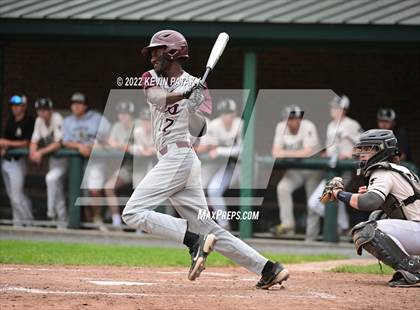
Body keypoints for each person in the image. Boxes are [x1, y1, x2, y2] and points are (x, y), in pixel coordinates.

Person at [122, 29, 289, 289]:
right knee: (208, 228)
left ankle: (192, 241)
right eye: (152, 52)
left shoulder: (196, 84)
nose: (152, 57)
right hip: (173, 160)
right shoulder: (150, 78)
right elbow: (157, 99)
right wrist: (185, 96)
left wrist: (192, 108)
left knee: (132, 213)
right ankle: (268, 268)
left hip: (180, 157)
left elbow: (199, 130)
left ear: (173, 52)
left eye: (158, 51)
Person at [323, 129, 420, 287]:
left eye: (367, 149)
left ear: (381, 150)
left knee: (365, 230)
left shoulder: (382, 171)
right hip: (415, 229)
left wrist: (339, 194)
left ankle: (413, 269)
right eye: (361, 149)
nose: (362, 154)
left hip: (417, 230)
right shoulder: (399, 169)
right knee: (378, 216)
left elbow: (369, 202)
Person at [308, 95, 362, 236]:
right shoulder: (330, 125)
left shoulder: (352, 124)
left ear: (343, 109)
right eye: (333, 107)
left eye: (336, 107)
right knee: (331, 200)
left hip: (345, 170)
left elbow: (363, 145)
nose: (333, 109)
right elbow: (332, 146)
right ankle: (343, 226)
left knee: (315, 202)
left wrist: (350, 155)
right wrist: (327, 153)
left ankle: (343, 226)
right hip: (332, 169)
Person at [271, 105, 321, 241]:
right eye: (290, 118)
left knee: (312, 202)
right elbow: (275, 152)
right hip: (296, 170)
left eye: (295, 118)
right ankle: (288, 226)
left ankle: (311, 238)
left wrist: (286, 154)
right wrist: (293, 154)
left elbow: (308, 152)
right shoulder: (280, 127)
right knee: (283, 188)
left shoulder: (308, 126)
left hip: (313, 169)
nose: (293, 121)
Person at [62, 92, 111, 231]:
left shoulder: (97, 119)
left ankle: (97, 218)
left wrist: (94, 145)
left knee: (94, 190)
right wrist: (79, 146)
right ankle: (86, 222)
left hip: (96, 159)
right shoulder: (68, 121)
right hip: (76, 161)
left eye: (79, 104)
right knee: (79, 191)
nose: (76, 106)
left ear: (85, 105)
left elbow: (109, 138)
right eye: (74, 104)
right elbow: (64, 141)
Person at [198, 99, 242, 230]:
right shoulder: (215, 124)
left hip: (242, 165)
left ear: (235, 114)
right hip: (225, 165)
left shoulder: (241, 124)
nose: (226, 116)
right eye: (223, 113)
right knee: (212, 189)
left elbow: (242, 150)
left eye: (229, 113)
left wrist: (219, 150)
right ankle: (223, 225)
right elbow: (206, 146)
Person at [29, 97, 67, 229]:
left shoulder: (57, 118)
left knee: (51, 179)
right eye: (40, 110)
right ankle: (62, 221)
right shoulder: (39, 120)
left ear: (50, 110)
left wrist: (40, 153)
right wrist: (33, 152)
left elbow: (58, 143)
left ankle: (51, 213)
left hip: (66, 159)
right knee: (57, 187)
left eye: (45, 110)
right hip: (53, 160)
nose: (42, 113)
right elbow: (34, 141)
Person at [0, 95, 35, 226]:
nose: (15, 108)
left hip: (17, 163)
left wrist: (6, 143)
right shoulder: (11, 120)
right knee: (13, 196)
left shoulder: (29, 121)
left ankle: (29, 222)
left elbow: (26, 143)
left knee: (16, 196)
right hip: (6, 162)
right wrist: (5, 146)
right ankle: (18, 222)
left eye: (18, 106)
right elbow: (5, 141)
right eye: (13, 106)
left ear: (24, 107)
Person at [104, 100, 139, 228]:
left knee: (142, 192)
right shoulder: (117, 126)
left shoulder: (139, 125)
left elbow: (146, 146)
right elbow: (111, 142)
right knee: (109, 187)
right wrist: (125, 146)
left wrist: (125, 146)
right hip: (127, 168)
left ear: (132, 115)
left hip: (143, 168)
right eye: (120, 113)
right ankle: (116, 220)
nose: (123, 116)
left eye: (126, 114)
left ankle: (140, 226)